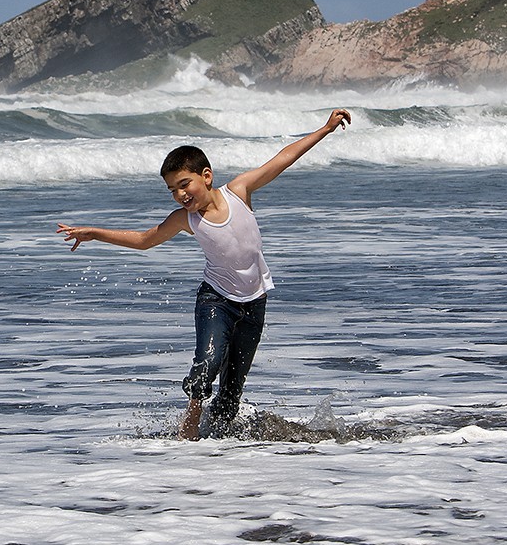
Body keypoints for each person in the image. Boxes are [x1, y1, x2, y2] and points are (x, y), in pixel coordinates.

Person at [57, 109, 352, 440]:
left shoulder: (239, 191)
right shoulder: (186, 219)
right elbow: (144, 240)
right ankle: (190, 427)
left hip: (254, 304)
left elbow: (282, 160)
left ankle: (218, 453)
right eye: (172, 190)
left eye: (184, 184)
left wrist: (325, 129)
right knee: (207, 365)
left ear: (206, 176)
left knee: (230, 396)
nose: (180, 195)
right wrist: (95, 233)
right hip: (216, 302)